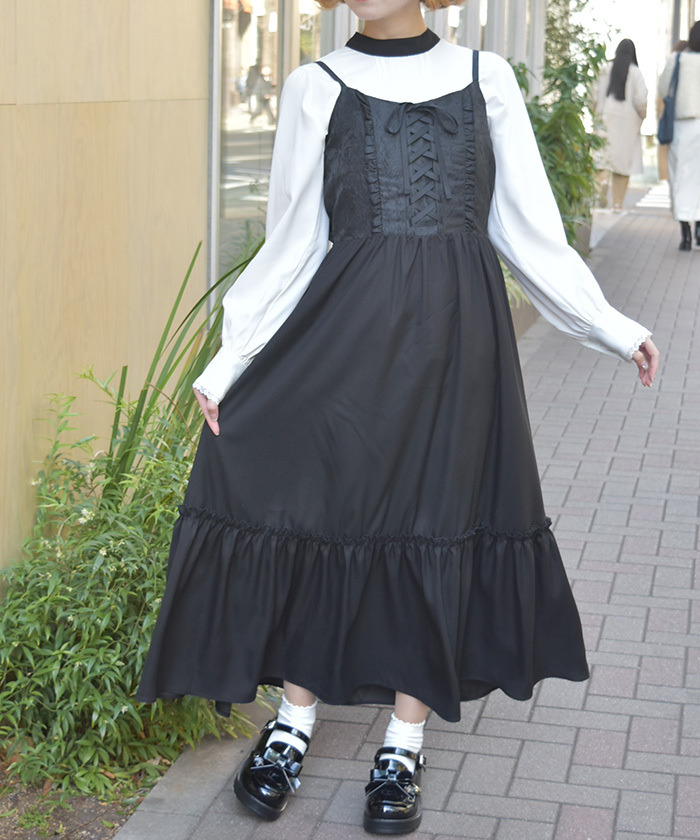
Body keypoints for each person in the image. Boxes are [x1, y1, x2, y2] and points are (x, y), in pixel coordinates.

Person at [136, 0, 660, 834]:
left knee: (437, 523)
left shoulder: (488, 79)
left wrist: (610, 326)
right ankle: (292, 724)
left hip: (460, 351)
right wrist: (232, 359)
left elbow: (527, 231)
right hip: (344, 349)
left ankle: (404, 744)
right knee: (327, 515)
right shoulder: (315, 85)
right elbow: (294, 241)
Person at [658, 21, 700, 250]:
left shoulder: (678, 59)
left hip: (681, 127)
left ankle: (685, 233)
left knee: (680, 177)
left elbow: (663, 89)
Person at [594, 39, 648, 211]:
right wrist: (642, 117)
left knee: (602, 160)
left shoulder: (605, 69)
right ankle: (617, 203)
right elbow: (641, 100)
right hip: (627, 123)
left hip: (605, 117)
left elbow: (593, 94)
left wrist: (595, 113)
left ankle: (601, 186)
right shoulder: (636, 72)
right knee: (622, 166)